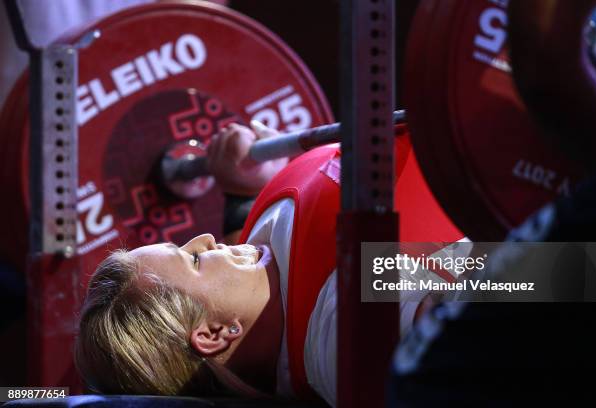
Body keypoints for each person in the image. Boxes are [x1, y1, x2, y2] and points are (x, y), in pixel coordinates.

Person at [75, 123, 464, 405]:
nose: (207, 239)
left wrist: (246, 186)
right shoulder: (343, 323)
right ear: (214, 333)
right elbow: (513, 288)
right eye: (193, 259)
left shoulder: (265, 268)